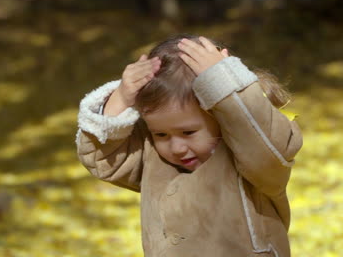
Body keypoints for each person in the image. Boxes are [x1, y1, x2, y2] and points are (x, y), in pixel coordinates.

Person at [76, 34, 303, 257]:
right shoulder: (152, 156)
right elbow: (105, 160)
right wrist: (120, 100)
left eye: (188, 132)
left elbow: (266, 140)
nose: (177, 147)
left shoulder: (254, 152)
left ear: (220, 113)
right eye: (161, 134)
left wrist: (226, 82)